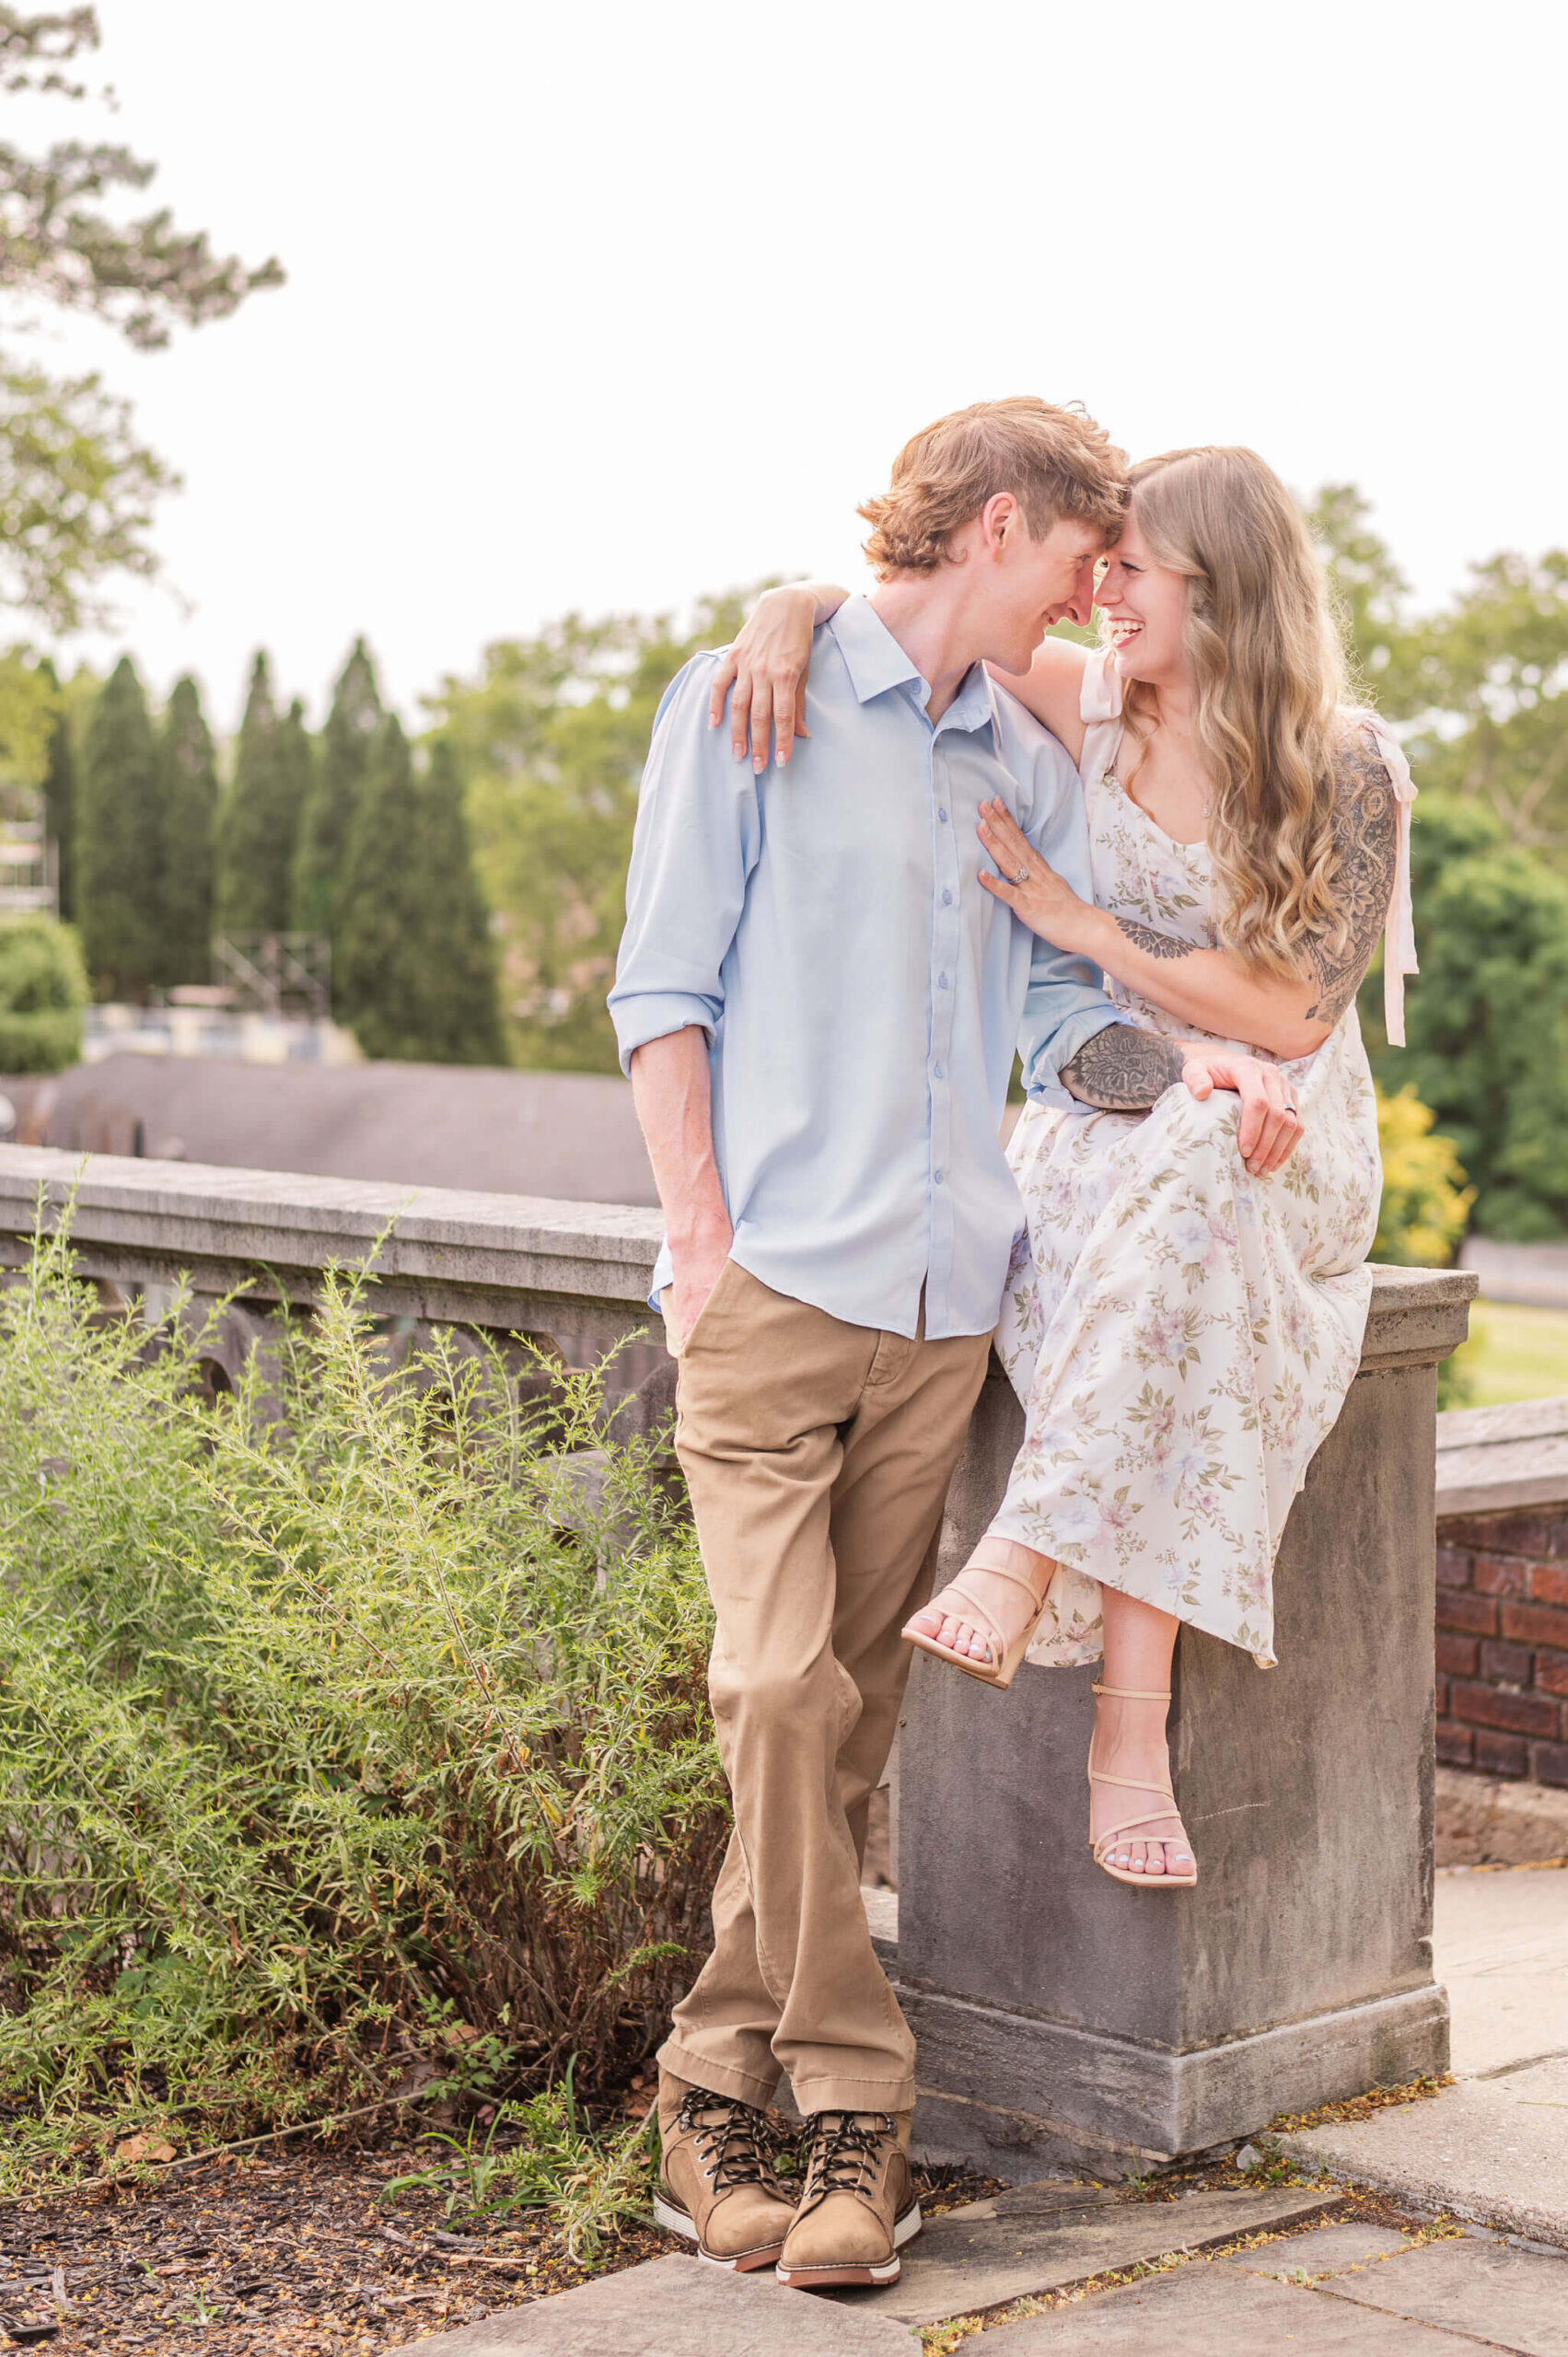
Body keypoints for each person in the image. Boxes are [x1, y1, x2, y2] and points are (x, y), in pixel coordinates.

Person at [608, 402, 1295, 2291]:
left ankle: (709, 2102)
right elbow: (660, 988)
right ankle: (864, 2095)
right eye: (1087, 561)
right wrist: (699, 1237)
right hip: (768, 1305)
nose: (1097, 600)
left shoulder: (1025, 751)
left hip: (939, 1314)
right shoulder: (750, 700)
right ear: (1008, 525)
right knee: (772, 1691)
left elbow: (1069, 1017)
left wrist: (1200, 1071)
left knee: (839, 1743)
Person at [714, 442, 1414, 1898]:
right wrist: (786, 605)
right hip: (1111, 1102)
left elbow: (1296, 1015)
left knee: (1213, 1158)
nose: (1101, 594)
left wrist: (1098, 938)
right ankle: (1126, 1742)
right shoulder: (1079, 701)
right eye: (1095, 569)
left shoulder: (1347, 764)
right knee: (1183, 1183)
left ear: (1217, 589)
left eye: (1131, 571)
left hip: (1288, 1121)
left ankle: (1024, 1556)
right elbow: (912, 631)